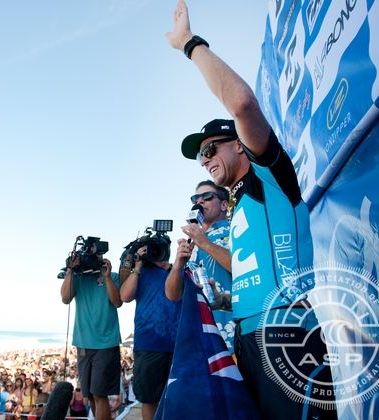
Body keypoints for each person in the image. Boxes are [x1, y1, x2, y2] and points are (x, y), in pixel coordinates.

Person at [166, 2, 337, 419]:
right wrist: (226, 298)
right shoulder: (239, 201)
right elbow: (253, 271)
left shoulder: (269, 179)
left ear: (240, 144)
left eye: (211, 149)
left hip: (288, 336)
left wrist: (189, 44)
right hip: (249, 339)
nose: (205, 159)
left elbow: (242, 103)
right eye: (200, 156)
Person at [166, 181, 235, 354]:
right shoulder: (192, 242)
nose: (200, 201)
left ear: (224, 205)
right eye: (196, 198)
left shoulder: (236, 230)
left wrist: (205, 243)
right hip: (201, 340)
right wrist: (178, 266)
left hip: (235, 334)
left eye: (207, 197)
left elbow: (243, 267)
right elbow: (172, 295)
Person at [119, 242, 181, 420]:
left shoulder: (176, 271)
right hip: (148, 345)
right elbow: (124, 296)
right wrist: (137, 266)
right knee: (149, 400)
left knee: (175, 398)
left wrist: (171, 266)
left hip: (176, 345)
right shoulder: (140, 274)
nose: (157, 253)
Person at [60, 247, 122, 420]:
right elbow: (65, 298)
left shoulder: (112, 276)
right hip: (83, 343)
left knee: (100, 394)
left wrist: (107, 277)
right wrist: (71, 269)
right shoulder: (78, 277)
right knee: (90, 395)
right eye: (91, 254)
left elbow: (117, 302)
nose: (96, 257)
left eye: (99, 253)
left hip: (106, 343)